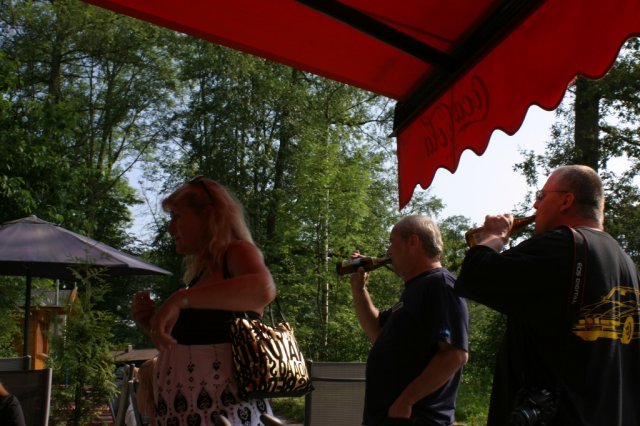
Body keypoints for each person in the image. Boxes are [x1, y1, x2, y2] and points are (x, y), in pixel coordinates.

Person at [455, 165, 640, 425]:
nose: (535, 205)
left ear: (566, 200)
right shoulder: (626, 263)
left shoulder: (562, 244)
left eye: (541, 196)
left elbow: (475, 276)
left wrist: (494, 236)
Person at [131, 176, 276, 426]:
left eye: (177, 216)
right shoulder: (200, 276)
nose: (170, 228)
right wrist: (150, 324)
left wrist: (180, 299)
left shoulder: (236, 252)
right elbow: (191, 347)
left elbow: (263, 288)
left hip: (226, 417)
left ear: (208, 215)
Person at [350, 215, 469, 426]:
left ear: (413, 241)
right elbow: (377, 332)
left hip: (416, 418)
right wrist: (359, 290)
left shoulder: (440, 285)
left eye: (392, 242)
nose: (388, 251)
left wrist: (406, 401)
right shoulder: (415, 289)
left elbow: (455, 355)